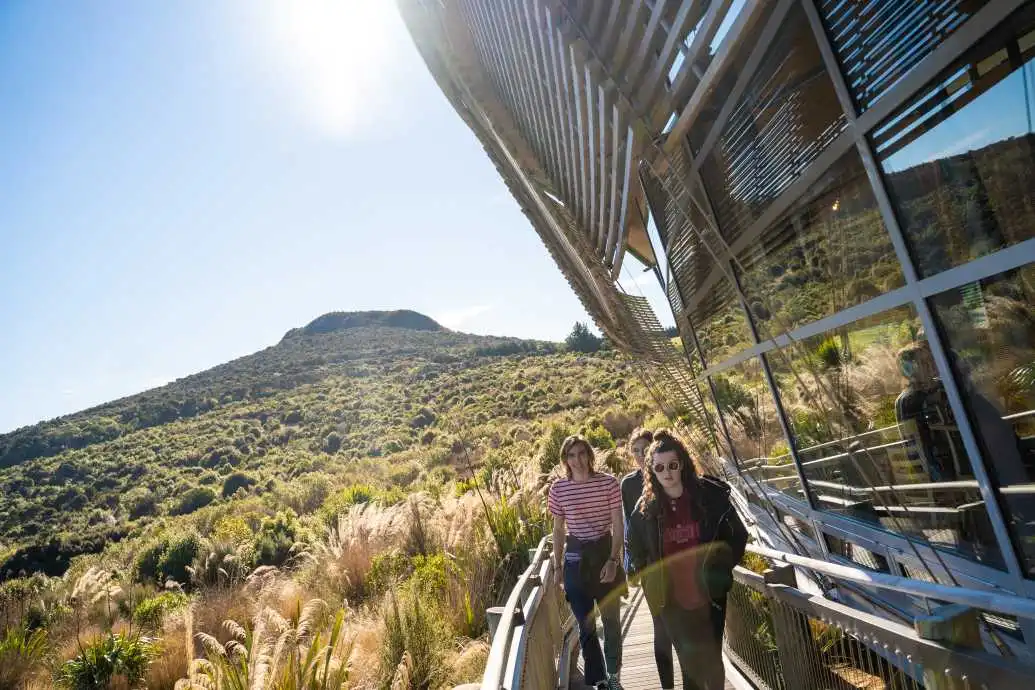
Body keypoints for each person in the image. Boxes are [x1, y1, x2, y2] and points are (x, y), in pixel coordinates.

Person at [627, 429, 748, 690]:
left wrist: (721, 568)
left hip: (709, 595)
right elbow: (634, 544)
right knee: (688, 667)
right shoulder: (645, 509)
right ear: (651, 471)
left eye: (672, 465)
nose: (667, 473)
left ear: (681, 463)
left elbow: (738, 535)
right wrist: (649, 577)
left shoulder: (710, 497)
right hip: (672, 602)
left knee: (714, 663)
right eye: (659, 468)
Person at [550, 434, 626, 690]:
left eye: (582, 453)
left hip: (605, 554)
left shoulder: (608, 483)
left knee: (612, 622)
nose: (577, 460)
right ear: (565, 460)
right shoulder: (558, 489)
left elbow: (618, 524)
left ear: (590, 456)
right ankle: (600, 679)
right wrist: (558, 567)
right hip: (575, 560)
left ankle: (614, 674)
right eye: (571, 455)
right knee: (585, 625)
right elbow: (559, 529)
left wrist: (614, 560)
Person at [621, 428, 676, 690]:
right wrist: (634, 565)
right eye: (636, 451)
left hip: (677, 563)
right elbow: (629, 529)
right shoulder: (629, 484)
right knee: (660, 628)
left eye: (646, 449)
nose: (641, 455)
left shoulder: (667, 473)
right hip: (651, 567)